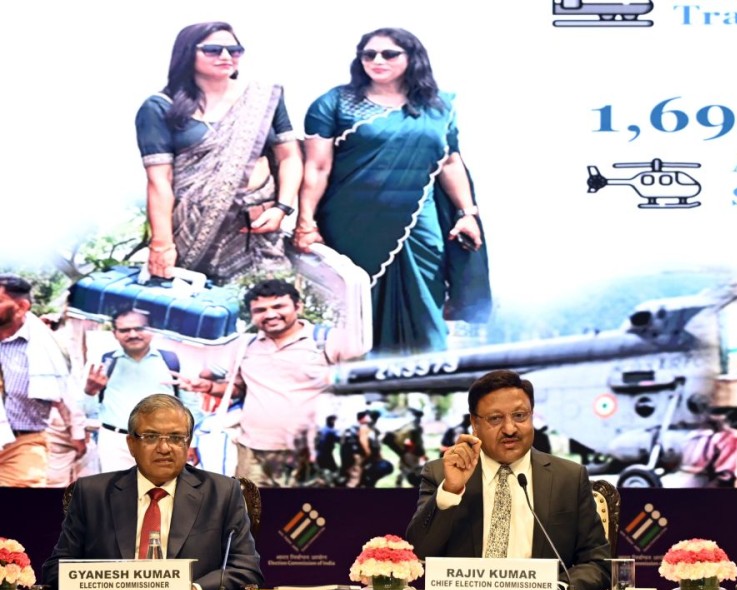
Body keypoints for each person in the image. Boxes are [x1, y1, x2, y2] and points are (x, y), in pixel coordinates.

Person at [296, 27, 491, 355]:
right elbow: (316, 167)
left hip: (420, 223)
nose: (377, 60)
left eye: (389, 54)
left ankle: (430, 377)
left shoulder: (440, 107)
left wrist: (467, 213)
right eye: (369, 54)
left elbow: (450, 162)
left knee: (425, 295)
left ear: (412, 58)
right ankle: (363, 380)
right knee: (356, 303)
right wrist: (305, 222)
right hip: (351, 221)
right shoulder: (335, 103)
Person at [405, 370, 611, 590]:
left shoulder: (568, 478)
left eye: (520, 416)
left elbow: (597, 563)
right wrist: (451, 490)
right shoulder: (441, 473)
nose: (510, 429)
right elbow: (419, 551)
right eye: (495, 418)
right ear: (474, 423)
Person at [41, 394, 263, 590]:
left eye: (176, 437)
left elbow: (245, 569)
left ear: (188, 442)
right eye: (151, 437)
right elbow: (56, 569)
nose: (164, 448)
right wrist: (108, 587)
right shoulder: (92, 494)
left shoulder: (222, 493)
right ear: (131, 444)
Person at [136, 21, 302, 282]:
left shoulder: (263, 97)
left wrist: (282, 208)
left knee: (266, 303)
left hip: (257, 228)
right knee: (197, 310)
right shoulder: (160, 107)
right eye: (213, 50)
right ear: (188, 53)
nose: (226, 56)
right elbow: (159, 181)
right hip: (191, 231)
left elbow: (289, 156)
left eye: (234, 50)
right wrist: (162, 243)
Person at [181, 280, 334, 487]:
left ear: (298, 307)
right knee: (251, 513)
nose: (270, 314)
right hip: (252, 451)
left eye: (278, 306)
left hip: (305, 451)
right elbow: (237, 389)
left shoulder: (325, 341)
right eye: (260, 310)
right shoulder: (246, 345)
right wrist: (207, 387)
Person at [0, 275, 85, 487]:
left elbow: (66, 394)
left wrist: (77, 433)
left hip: (22, 447)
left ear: (21, 307)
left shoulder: (47, 347)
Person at [83, 310, 181, 472]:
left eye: (139, 328)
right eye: (124, 330)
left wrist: (191, 442)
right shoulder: (104, 363)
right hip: (115, 444)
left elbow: (190, 405)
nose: (133, 334)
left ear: (153, 330)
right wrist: (89, 391)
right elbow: (86, 410)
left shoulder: (171, 361)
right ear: (115, 333)